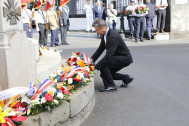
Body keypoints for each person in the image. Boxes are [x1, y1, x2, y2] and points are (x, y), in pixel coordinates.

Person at [91, 18, 134, 92]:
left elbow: (108, 56)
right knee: (106, 74)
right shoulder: (105, 34)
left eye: (97, 30)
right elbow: (100, 49)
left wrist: (96, 66)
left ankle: (111, 86)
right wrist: (91, 60)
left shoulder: (112, 36)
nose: (97, 32)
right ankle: (126, 78)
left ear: (103, 26)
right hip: (118, 57)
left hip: (124, 58)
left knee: (104, 65)